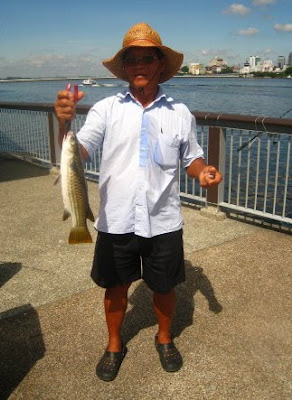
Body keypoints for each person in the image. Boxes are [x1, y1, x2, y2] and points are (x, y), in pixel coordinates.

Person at [54, 22, 222, 382]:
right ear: (125, 67)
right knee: (115, 289)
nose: (140, 65)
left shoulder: (180, 112)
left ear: (161, 64)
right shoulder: (105, 110)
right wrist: (64, 122)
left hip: (163, 220)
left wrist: (203, 170)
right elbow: (77, 152)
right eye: (132, 59)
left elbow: (192, 157)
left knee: (164, 288)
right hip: (116, 219)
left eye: (148, 58)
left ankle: (164, 339)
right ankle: (114, 344)